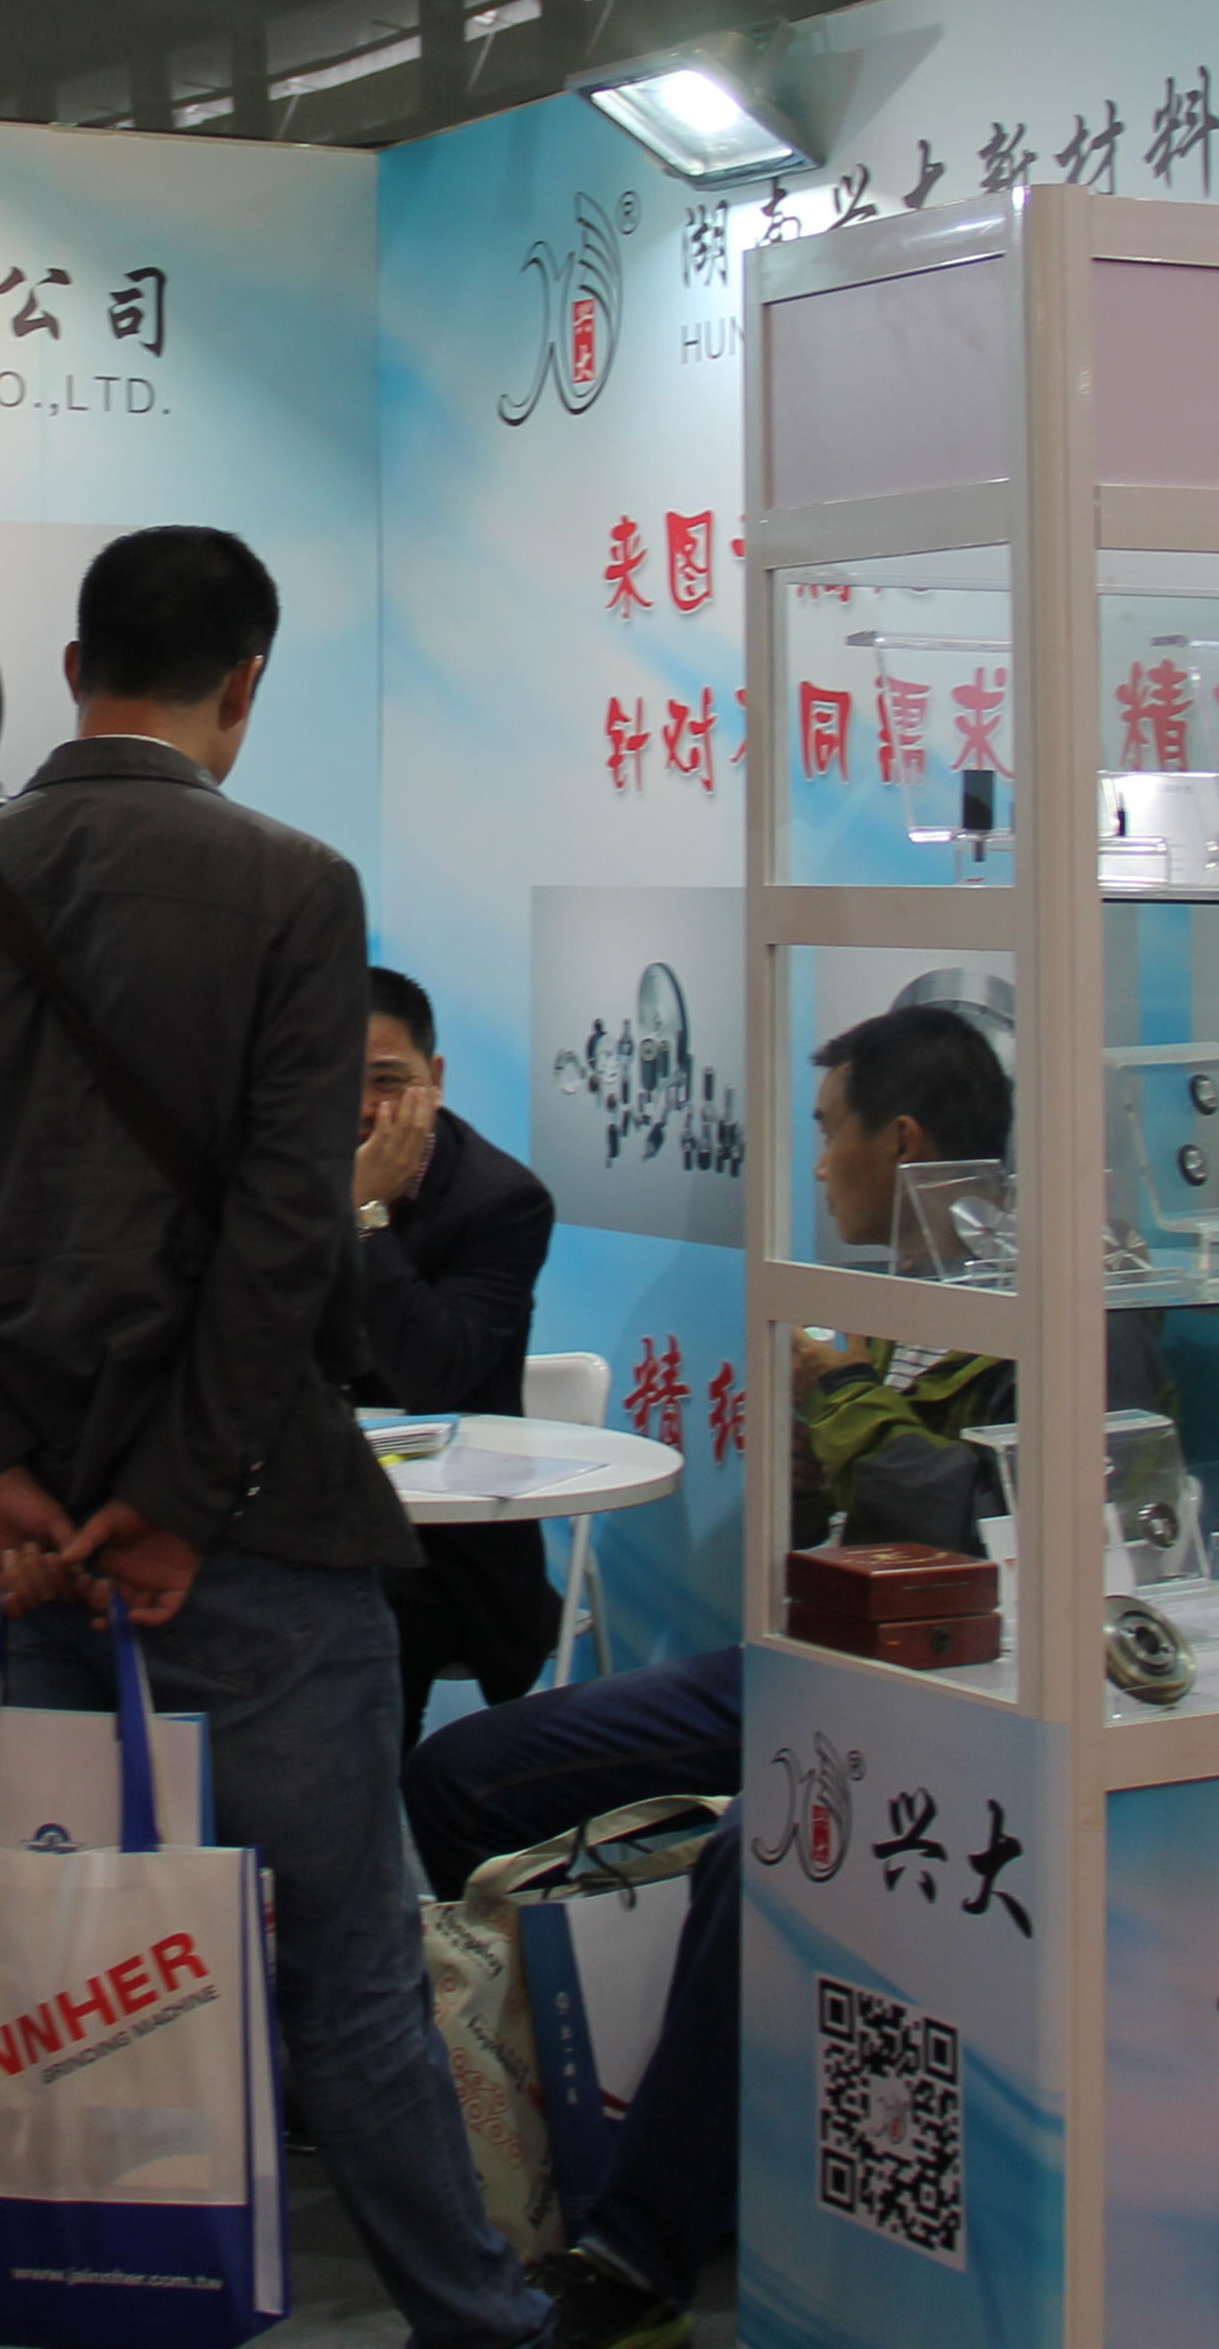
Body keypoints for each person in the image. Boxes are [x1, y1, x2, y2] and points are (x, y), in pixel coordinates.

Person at [0, 525, 549, 2349]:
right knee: (352, 1978)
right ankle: (475, 2326)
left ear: (74, 667)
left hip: (15, 1539)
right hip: (253, 1535)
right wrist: (178, 1493)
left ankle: (69, 2305)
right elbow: (283, 1231)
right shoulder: (294, 887)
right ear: (246, 683)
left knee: (54, 1969)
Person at [404, 999, 1023, 2349]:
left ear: (903, 1140)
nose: (816, 1163)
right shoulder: (884, 1298)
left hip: (961, 1705)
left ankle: (638, 2255)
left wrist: (836, 1388)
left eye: (828, 1130)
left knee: (768, 1853)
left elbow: (958, 1518)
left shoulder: (1037, 1304)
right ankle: (559, 2140)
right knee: (460, 1776)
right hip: (803, 1669)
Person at [352, 964, 560, 1738]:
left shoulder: (500, 1200)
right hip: (307, 1506)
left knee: (364, 1610)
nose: (363, 1108)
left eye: (387, 1080)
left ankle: (372, 1806)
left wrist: (363, 1215)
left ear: (433, 1079)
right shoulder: (275, 1174)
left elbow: (432, 1377)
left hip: (445, 1547)